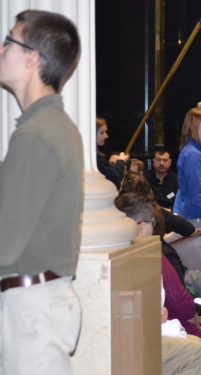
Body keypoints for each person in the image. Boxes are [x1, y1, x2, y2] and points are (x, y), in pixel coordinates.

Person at [0, 10, 82, 375]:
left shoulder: (36, 134)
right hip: (40, 303)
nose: (1, 50)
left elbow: (5, 242)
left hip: (31, 310)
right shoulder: (54, 126)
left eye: (8, 43)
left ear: (32, 58)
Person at [115, 193, 201, 374]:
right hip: (140, 335)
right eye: (151, 223)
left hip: (152, 327)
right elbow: (180, 302)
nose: (153, 229)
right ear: (140, 225)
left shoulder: (127, 250)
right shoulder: (149, 254)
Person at [96, 117, 127, 188]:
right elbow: (116, 179)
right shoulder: (96, 159)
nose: (106, 136)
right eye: (102, 132)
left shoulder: (98, 157)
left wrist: (110, 163)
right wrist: (121, 161)